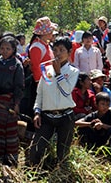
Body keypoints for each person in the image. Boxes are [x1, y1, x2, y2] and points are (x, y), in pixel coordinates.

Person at [29, 36, 79, 167]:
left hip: (66, 116)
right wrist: (37, 111)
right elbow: (40, 93)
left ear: (69, 53)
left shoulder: (73, 71)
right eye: (55, 50)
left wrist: (58, 73)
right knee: (35, 150)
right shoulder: (46, 71)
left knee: (63, 153)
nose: (58, 53)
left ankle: (62, 174)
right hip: (47, 116)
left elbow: (66, 91)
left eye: (62, 50)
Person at [0, 36, 24, 165]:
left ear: (13, 49)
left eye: (8, 48)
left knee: (10, 133)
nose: (5, 51)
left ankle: (10, 163)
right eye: (2, 48)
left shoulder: (17, 65)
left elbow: (19, 87)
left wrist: (17, 104)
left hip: (9, 103)